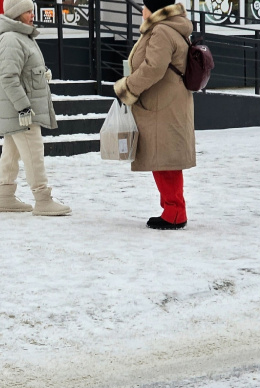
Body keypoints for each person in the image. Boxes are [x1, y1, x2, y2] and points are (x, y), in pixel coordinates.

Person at [113, 0, 195, 229]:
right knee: (164, 159)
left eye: (145, 7)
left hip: (163, 105)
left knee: (165, 160)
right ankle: (172, 208)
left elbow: (153, 68)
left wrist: (127, 87)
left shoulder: (161, 30)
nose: (142, 11)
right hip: (167, 103)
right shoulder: (174, 27)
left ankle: (175, 212)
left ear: (155, 9)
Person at [0, 0, 71, 216]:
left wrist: (40, 74)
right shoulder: (11, 39)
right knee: (34, 152)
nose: (31, 14)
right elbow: (8, 78)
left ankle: (6, 197)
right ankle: (42, 198)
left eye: (31, 10)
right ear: (16, 13)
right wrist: (24, 108)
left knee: (11, 152)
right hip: (22, 112)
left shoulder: (21, 35)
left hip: (19, 110)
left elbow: (23, 70)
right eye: (27, 11)